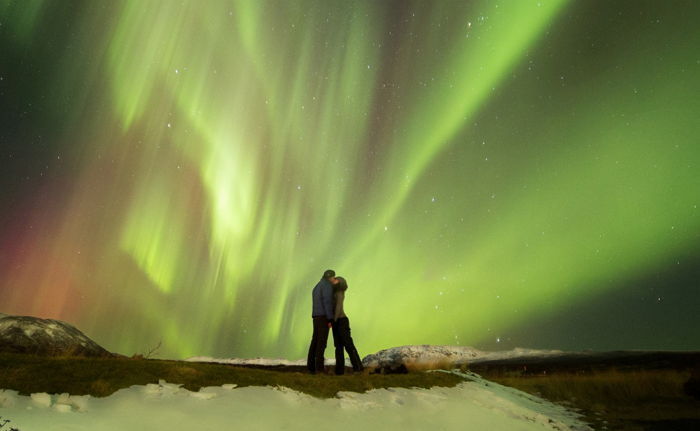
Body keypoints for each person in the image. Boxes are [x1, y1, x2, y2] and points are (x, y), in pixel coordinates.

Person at [306, 269, 338, 374]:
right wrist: (330, 318)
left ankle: (310, 367)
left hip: (316, 316)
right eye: (333, 277)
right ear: (330, 277)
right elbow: (327, 302)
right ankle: (319, 368)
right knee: (321, 342)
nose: (334, 279)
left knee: (315, 341)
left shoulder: (317, 286)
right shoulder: (327, 286)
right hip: (323, 317)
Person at [331, 276, 364, 375]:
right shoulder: (334, 293)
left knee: (348, 345)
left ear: (340, 282)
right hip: (336, 321)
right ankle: (339, 371)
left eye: (336, 280)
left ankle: (358, 368)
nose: (334, 281)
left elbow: (338, 307)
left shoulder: (340, 292)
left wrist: (334, 320)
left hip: (341, 321)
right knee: (338, 347)